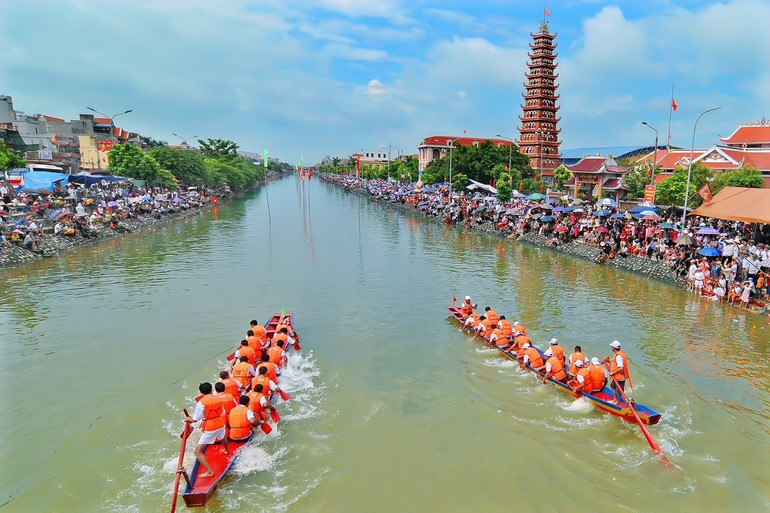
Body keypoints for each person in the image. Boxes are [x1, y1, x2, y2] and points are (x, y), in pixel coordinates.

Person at [185, 382, 229, 478]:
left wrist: (188, 419)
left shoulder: (201, 403)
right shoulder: (219, 398)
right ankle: (226, 450)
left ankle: (210, 472)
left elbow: (196, 418)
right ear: (211, 390)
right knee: (223, 437)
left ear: (201, 392)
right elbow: (223, 411)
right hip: (221, 422)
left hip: (210, 427)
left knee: (197, 452)